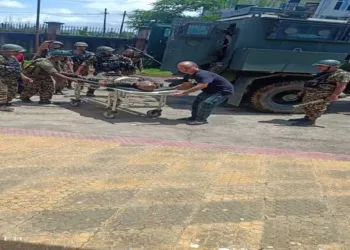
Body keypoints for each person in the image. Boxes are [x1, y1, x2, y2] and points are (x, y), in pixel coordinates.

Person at [290, 59, 350, 126]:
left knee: (317, 107)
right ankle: (307, 118)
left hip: (323, 95)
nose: (318, 67)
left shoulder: (342, 74)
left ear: (332, 66)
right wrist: (303, 91)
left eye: (321, 66)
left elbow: (341, 86)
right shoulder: (324, 72)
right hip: (312, 93)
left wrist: (335, 95)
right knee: (308, 106)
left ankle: (311, 121)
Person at [172, 61, 234, 125]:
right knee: (197, 103)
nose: (184, 70)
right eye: (181, 68)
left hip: (222, 91)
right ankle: (194, 118)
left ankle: (201, 120)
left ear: (195, 66)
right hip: (209, 91)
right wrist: (174, 89)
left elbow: (202, 85)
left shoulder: (202, 74)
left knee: (207, 103)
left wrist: (184, 93)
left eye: (187, 67)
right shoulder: (188, 76)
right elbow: (187, 85)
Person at [0, 44, 33, 111]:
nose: (18, 53)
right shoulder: (1, 58)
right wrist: (8, 68)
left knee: (12, 92)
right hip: (1, 78)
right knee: (2, 91)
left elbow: (17, 69)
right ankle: (1, 105)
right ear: (7, 51)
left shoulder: (13, 58)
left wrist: (24, 77)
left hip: (11, 79)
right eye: (16, 51)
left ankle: (5, 102)